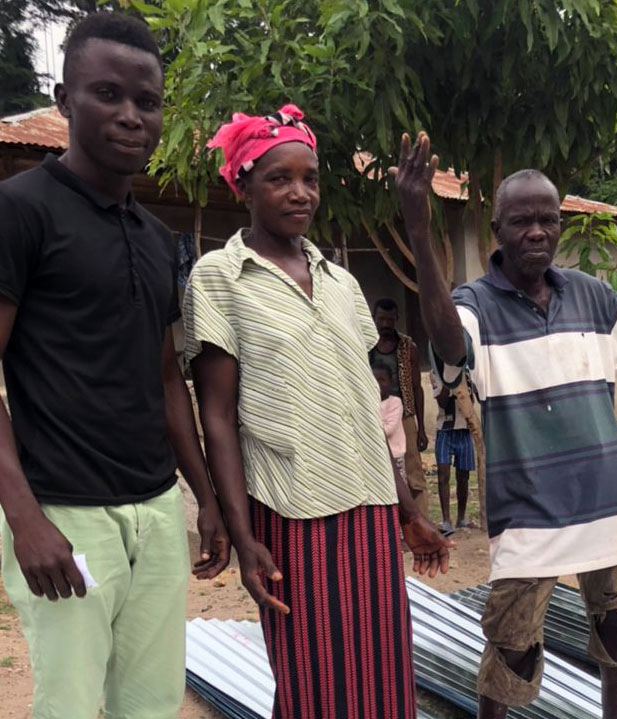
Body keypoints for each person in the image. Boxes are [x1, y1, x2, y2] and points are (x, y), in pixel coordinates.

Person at [393, 132, 617, 719]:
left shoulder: (591, 296)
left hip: (606, 501)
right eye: (522, 221)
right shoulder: (474, 303)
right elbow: (449, 342)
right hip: (527, 512)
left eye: (548, 220)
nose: (537, 232)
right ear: (496, 229)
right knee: (512, 652)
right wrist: (420, 233)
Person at [183, 105, 452, 719]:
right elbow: (218, 415)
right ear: (243, 184)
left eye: (310, 178)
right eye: (279, 178)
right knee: (312, 688)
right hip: (291, 511)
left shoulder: (341, 282)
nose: (299, 193)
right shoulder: (220, 277)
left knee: (383, 681)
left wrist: (406, 512)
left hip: (369, 511)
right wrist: (242, 532)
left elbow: (363, 407)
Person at [0, 14, 230, 719]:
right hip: (64, 513)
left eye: (148, 101)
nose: (131, 116)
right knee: (68, 705)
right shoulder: (20, 212)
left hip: (156, 510)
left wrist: (205, 495)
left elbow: (166, 378)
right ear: (65, 100)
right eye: (107, 94)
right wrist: (23, 517)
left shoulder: (158, 239)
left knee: (151, 705)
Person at [369, 298, 430, 514]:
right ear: (374, 318)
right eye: (381, 319)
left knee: (413, 472)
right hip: (374, 414)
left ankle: (421, 519)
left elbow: (416, 387)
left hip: (404, 417)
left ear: (397, 319)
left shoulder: (407, 347)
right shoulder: (365, 344)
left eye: (389, 319)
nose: (385, 324)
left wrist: (421, 427)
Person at [430, 369, 477, 534]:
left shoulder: (467, 372)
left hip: (464, 429)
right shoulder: (436, 372)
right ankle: (446, 520)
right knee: (443, 475)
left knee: (463, 476)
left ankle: (461, 519)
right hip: (445, 429)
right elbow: (442, 402)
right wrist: (451, 382)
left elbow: (471, 398)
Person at [375, 363, 407, 479]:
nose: (378, 384)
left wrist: (370, 428)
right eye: (374, 380)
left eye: (382, 380)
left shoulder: (395, 402)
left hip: (395, 455)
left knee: (398, 487)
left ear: (390, 382)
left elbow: (388, 430)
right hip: (376, 456)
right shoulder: (368, 403)